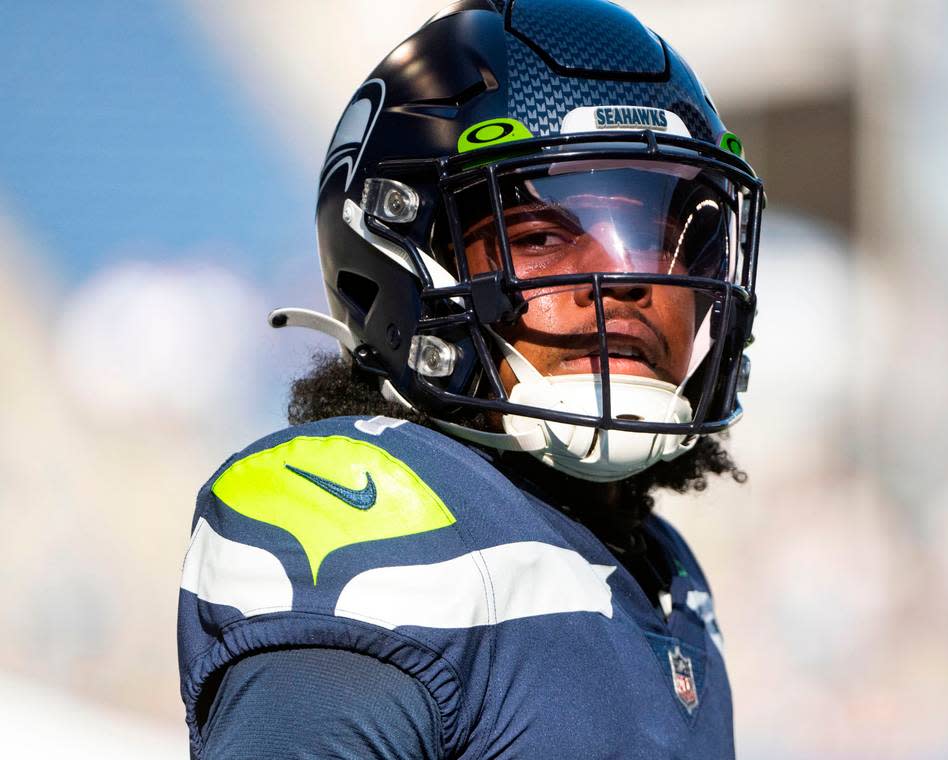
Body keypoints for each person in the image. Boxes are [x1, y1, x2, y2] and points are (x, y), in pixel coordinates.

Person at [177, 0, 763, 757]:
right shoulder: (371, 519)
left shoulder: (665, 568)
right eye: (543, 235)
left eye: (664, 238)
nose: (623, 277)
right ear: (397, 263)